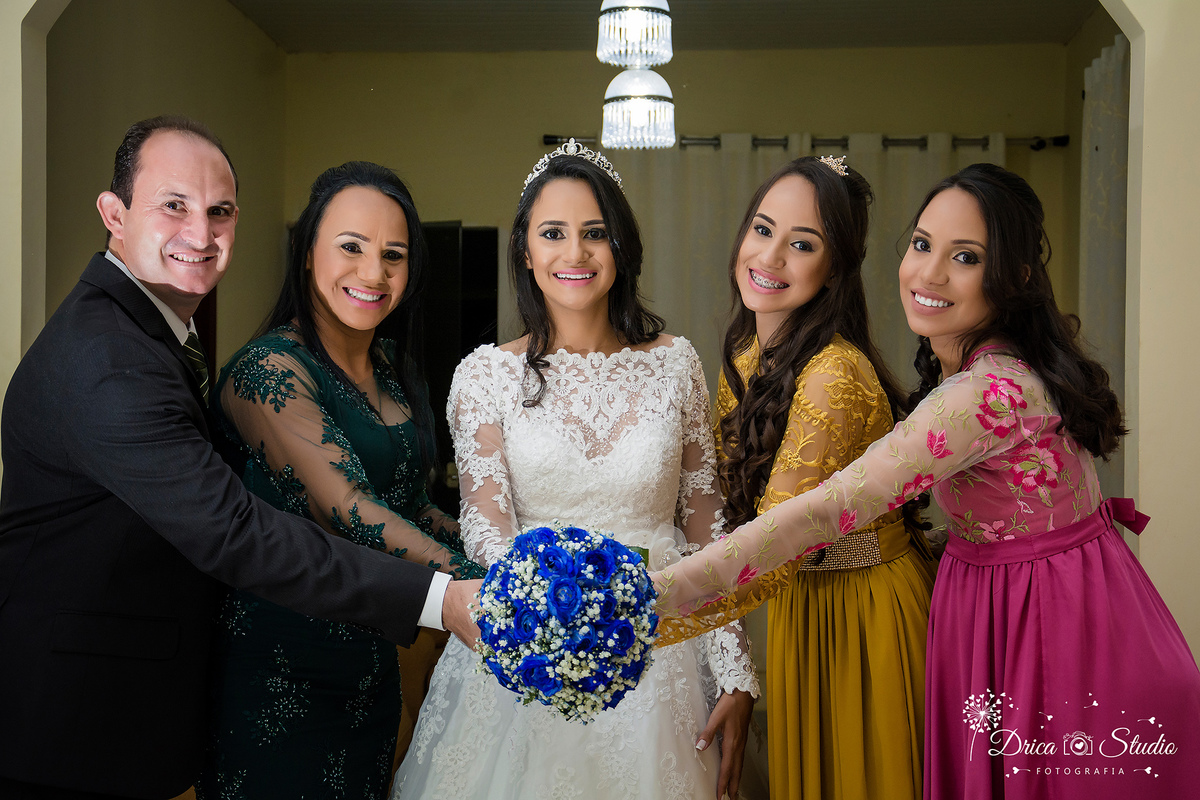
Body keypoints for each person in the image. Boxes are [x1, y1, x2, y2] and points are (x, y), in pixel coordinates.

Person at [653, 163, 1200, 799]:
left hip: (1054, 629)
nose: (929, 273)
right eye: (921, 245)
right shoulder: (974, 368)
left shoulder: (980, 393)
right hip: (1005, 604)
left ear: (1015, 278)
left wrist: (648, 598)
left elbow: (819, 513)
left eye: (964, 257)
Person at [0, 117, 479, 800]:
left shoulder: (152, 330)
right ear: (113, 214)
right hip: (72, 724)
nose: (201, 234)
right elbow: (236, 531)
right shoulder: (109, 359)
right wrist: (447, 597)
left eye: (219, 212)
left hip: (143, 704)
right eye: (174, 206)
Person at [392, 140, 759, 800]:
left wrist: (731, 664)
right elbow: (487, 537)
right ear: (526, 251)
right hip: (532, 640)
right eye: (553, 233)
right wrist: (562, 628)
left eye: (596, 234)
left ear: (622, 247)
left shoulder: (678, 365)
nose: (576, 254)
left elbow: (706, 525)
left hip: (662, 645)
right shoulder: (484, 377)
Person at [196, 162, 484, 799]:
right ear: (307, 254)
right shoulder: (266, 370)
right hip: (278, 672)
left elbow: (410, 505)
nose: (373, 272)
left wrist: (512, 553)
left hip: (371, 665)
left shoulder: (396, 371)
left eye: (393, 255)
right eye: (350, 247)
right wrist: (478, 582)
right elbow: (347, 507)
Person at [713, 155, 934, 800]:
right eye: (762, 230)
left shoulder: (831, 376)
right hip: (801, 605)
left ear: (833, 268)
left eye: (802, 244)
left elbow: (768, 544)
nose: (771, 256)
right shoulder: (750, 356)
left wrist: (652, 612)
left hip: (860, 611)